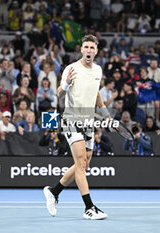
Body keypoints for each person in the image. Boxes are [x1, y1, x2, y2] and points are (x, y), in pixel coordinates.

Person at [43, 35, 108, 220]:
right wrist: (66, 83)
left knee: (84, 165)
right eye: (86, 47)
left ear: (96, 50)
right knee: (80, 163)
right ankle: (89, 207)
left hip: (88, 121)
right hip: (72, 119)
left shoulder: (98, 70)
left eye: (92, 47)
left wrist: (106, 115)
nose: (88, 50)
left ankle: (54, 192)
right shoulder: (71, 68)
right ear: (81, 49)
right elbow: (59, 91)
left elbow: (96, 95)